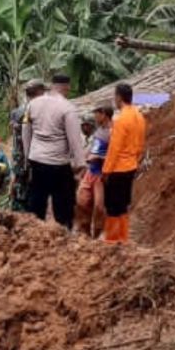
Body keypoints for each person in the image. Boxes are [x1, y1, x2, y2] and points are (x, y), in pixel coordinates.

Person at [23, 74, 86, 229]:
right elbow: (75, 139)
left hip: (37, 161)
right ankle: (63, 233)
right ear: (67, 87)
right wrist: (80, 163)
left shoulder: (33, 104)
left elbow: (26, 132)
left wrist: (27, 157)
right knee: (63, 204)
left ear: (51, 86)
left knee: (37, 200)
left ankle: (33, 233)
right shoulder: (67, 108)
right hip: (59, 164)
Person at [102, 83, 146, 244]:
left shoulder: (120, 120)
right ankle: (123, 238)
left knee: (113, 206)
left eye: (115, 96)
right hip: (131, 166)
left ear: (119, 97)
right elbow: (140, 144)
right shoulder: (139, 116)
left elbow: (114, 149)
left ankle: (113, 240)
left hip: (117, 168)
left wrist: (106, 171)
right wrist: (135, 159)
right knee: (123, 205)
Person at [10, 80, 48, 211]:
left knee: (19, 190)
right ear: (40, 92)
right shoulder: (36, 111)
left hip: (18, 159)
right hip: (32, 159)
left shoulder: (16, 112)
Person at [76, 106, 113, 236]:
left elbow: (116, 154)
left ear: (104, 115)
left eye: (97, 114)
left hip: (101, 174)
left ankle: (97, 235)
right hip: (90, 171)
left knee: (99, 207)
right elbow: (90, 152)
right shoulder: (98, 134)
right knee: (82, 201)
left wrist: (98, 157)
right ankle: (84, 233)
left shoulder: (112, 133)